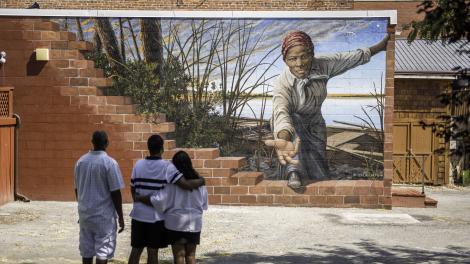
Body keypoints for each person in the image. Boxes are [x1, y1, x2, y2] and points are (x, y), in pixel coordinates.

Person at [265, 30, 389, 189]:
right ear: (285, 60)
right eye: (292, 59)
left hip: (315, 122)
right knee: (293, 132)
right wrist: (283, 138)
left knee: (319, 171)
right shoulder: (282, 83)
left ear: (312, 54)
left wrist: (380, 47)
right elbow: (281, 113)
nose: (299, 63)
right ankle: (293, 173)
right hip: (291, 124)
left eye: (304, 56)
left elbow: (349, 58)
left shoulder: (322, 65)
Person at [128, 135, 205, 264]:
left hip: (138, 215)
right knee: (152, 252)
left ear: (148, 147)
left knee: (136, 250)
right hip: (156, 217)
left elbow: (133, 187)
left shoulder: (138, 164)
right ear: (162, 149)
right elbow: (185, 185)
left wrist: (138, 199)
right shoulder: (167, 167)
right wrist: (201, 181)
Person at [74, 131, 125, 264]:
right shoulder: (110, 163)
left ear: (92, 142)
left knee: (87, 250)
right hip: (104, 217)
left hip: (85, 215)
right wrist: (121, 216)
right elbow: (116, 193)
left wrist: (81, 208)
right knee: (103, 252)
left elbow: (77, 189)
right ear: (107, 143)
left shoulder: (81, 162)